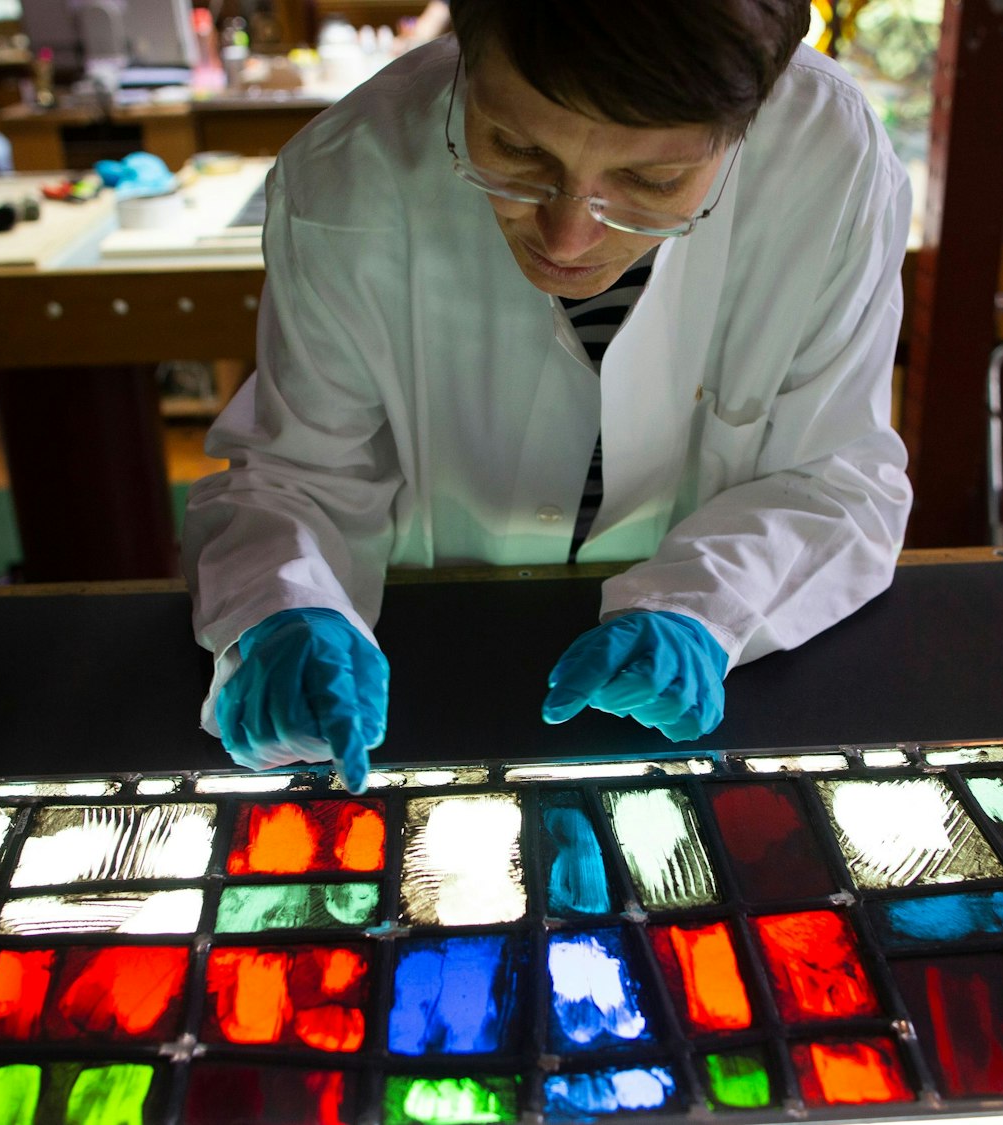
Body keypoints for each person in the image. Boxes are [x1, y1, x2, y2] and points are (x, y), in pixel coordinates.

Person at [184, 0, 913, 791]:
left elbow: (836, 473)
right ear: (467, 51)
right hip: (423, 664)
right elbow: (300, 472)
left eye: (650, 179)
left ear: (751, 120)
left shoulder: (832, 161)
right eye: (515, 149)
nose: (566, 237)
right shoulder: (354, 167)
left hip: (715, 688)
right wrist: (285, 603)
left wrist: (709, 604)